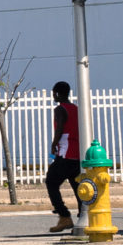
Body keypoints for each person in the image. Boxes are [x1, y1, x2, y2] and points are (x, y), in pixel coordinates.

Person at [46, 81, 83, 232]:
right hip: (77, 154)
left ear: (57, 93)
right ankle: (83, 218)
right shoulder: (76, 109)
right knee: (78, 188)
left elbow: (60, 127)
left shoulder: (60, 109)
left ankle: (64, 216)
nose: (53, 96)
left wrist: (53, 143)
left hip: (65, 153)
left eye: (53, 93)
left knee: (51, 182)